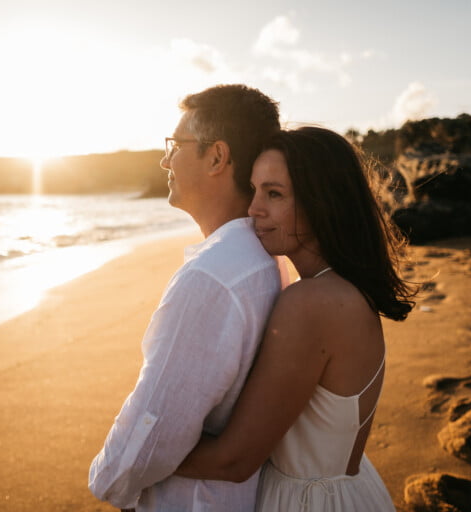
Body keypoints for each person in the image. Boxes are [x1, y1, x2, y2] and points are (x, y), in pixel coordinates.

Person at [174, 126, 415, 511]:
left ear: (322, 202)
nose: (254, 209)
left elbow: (233, 461)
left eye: (274, 194)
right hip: (348, 488)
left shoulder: (311, 302)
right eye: (254, 190)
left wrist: (140, 462)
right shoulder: (344, 287)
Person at [88, 84, 283, 511]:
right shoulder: (264, 259)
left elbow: (155, 433)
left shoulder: (211, 278)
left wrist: (106, 479)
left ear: (216, 157)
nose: (165, 159)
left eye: (176, 144)